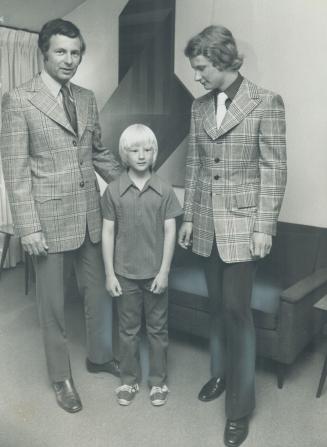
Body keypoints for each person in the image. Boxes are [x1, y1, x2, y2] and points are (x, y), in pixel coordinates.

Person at [0, 18, 122, 413]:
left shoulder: (85, 97)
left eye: (75, 53)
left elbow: (97, 152)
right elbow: (15, 171)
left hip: (89, 215)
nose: (70, 60)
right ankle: (61, 377)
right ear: (43, 53)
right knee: (52, 305)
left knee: (100, 293)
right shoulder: (19, 99)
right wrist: (28, 227)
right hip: (47, 223)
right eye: (61, 52)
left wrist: (132, 186)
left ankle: (99, 356)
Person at [178, 25, 287, 447]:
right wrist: (189, 218)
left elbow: (274, 170)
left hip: (244, 227)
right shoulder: (198, 106)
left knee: (238, 314)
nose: (197, 75)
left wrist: (264, 227)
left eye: (201, 67)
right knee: (218, 309)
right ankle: (220, 374)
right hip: (206, 224)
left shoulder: (266, 102)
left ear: (222, 60)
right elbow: (194, 164)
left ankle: (239, 410)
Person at [101, 124, 183, 406]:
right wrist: (110, 274)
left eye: (147, 149)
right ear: (124, 154)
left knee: (158, 330)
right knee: (128, 330)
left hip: (155, 275)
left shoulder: (165, 190)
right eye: (134, 150)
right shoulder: (113, 191)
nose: (141, 155)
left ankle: (158, 382)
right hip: (124, 274)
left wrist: (164, 271)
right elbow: (108, 232)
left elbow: (171, 232)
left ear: (154, 153)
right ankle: (128, 380)